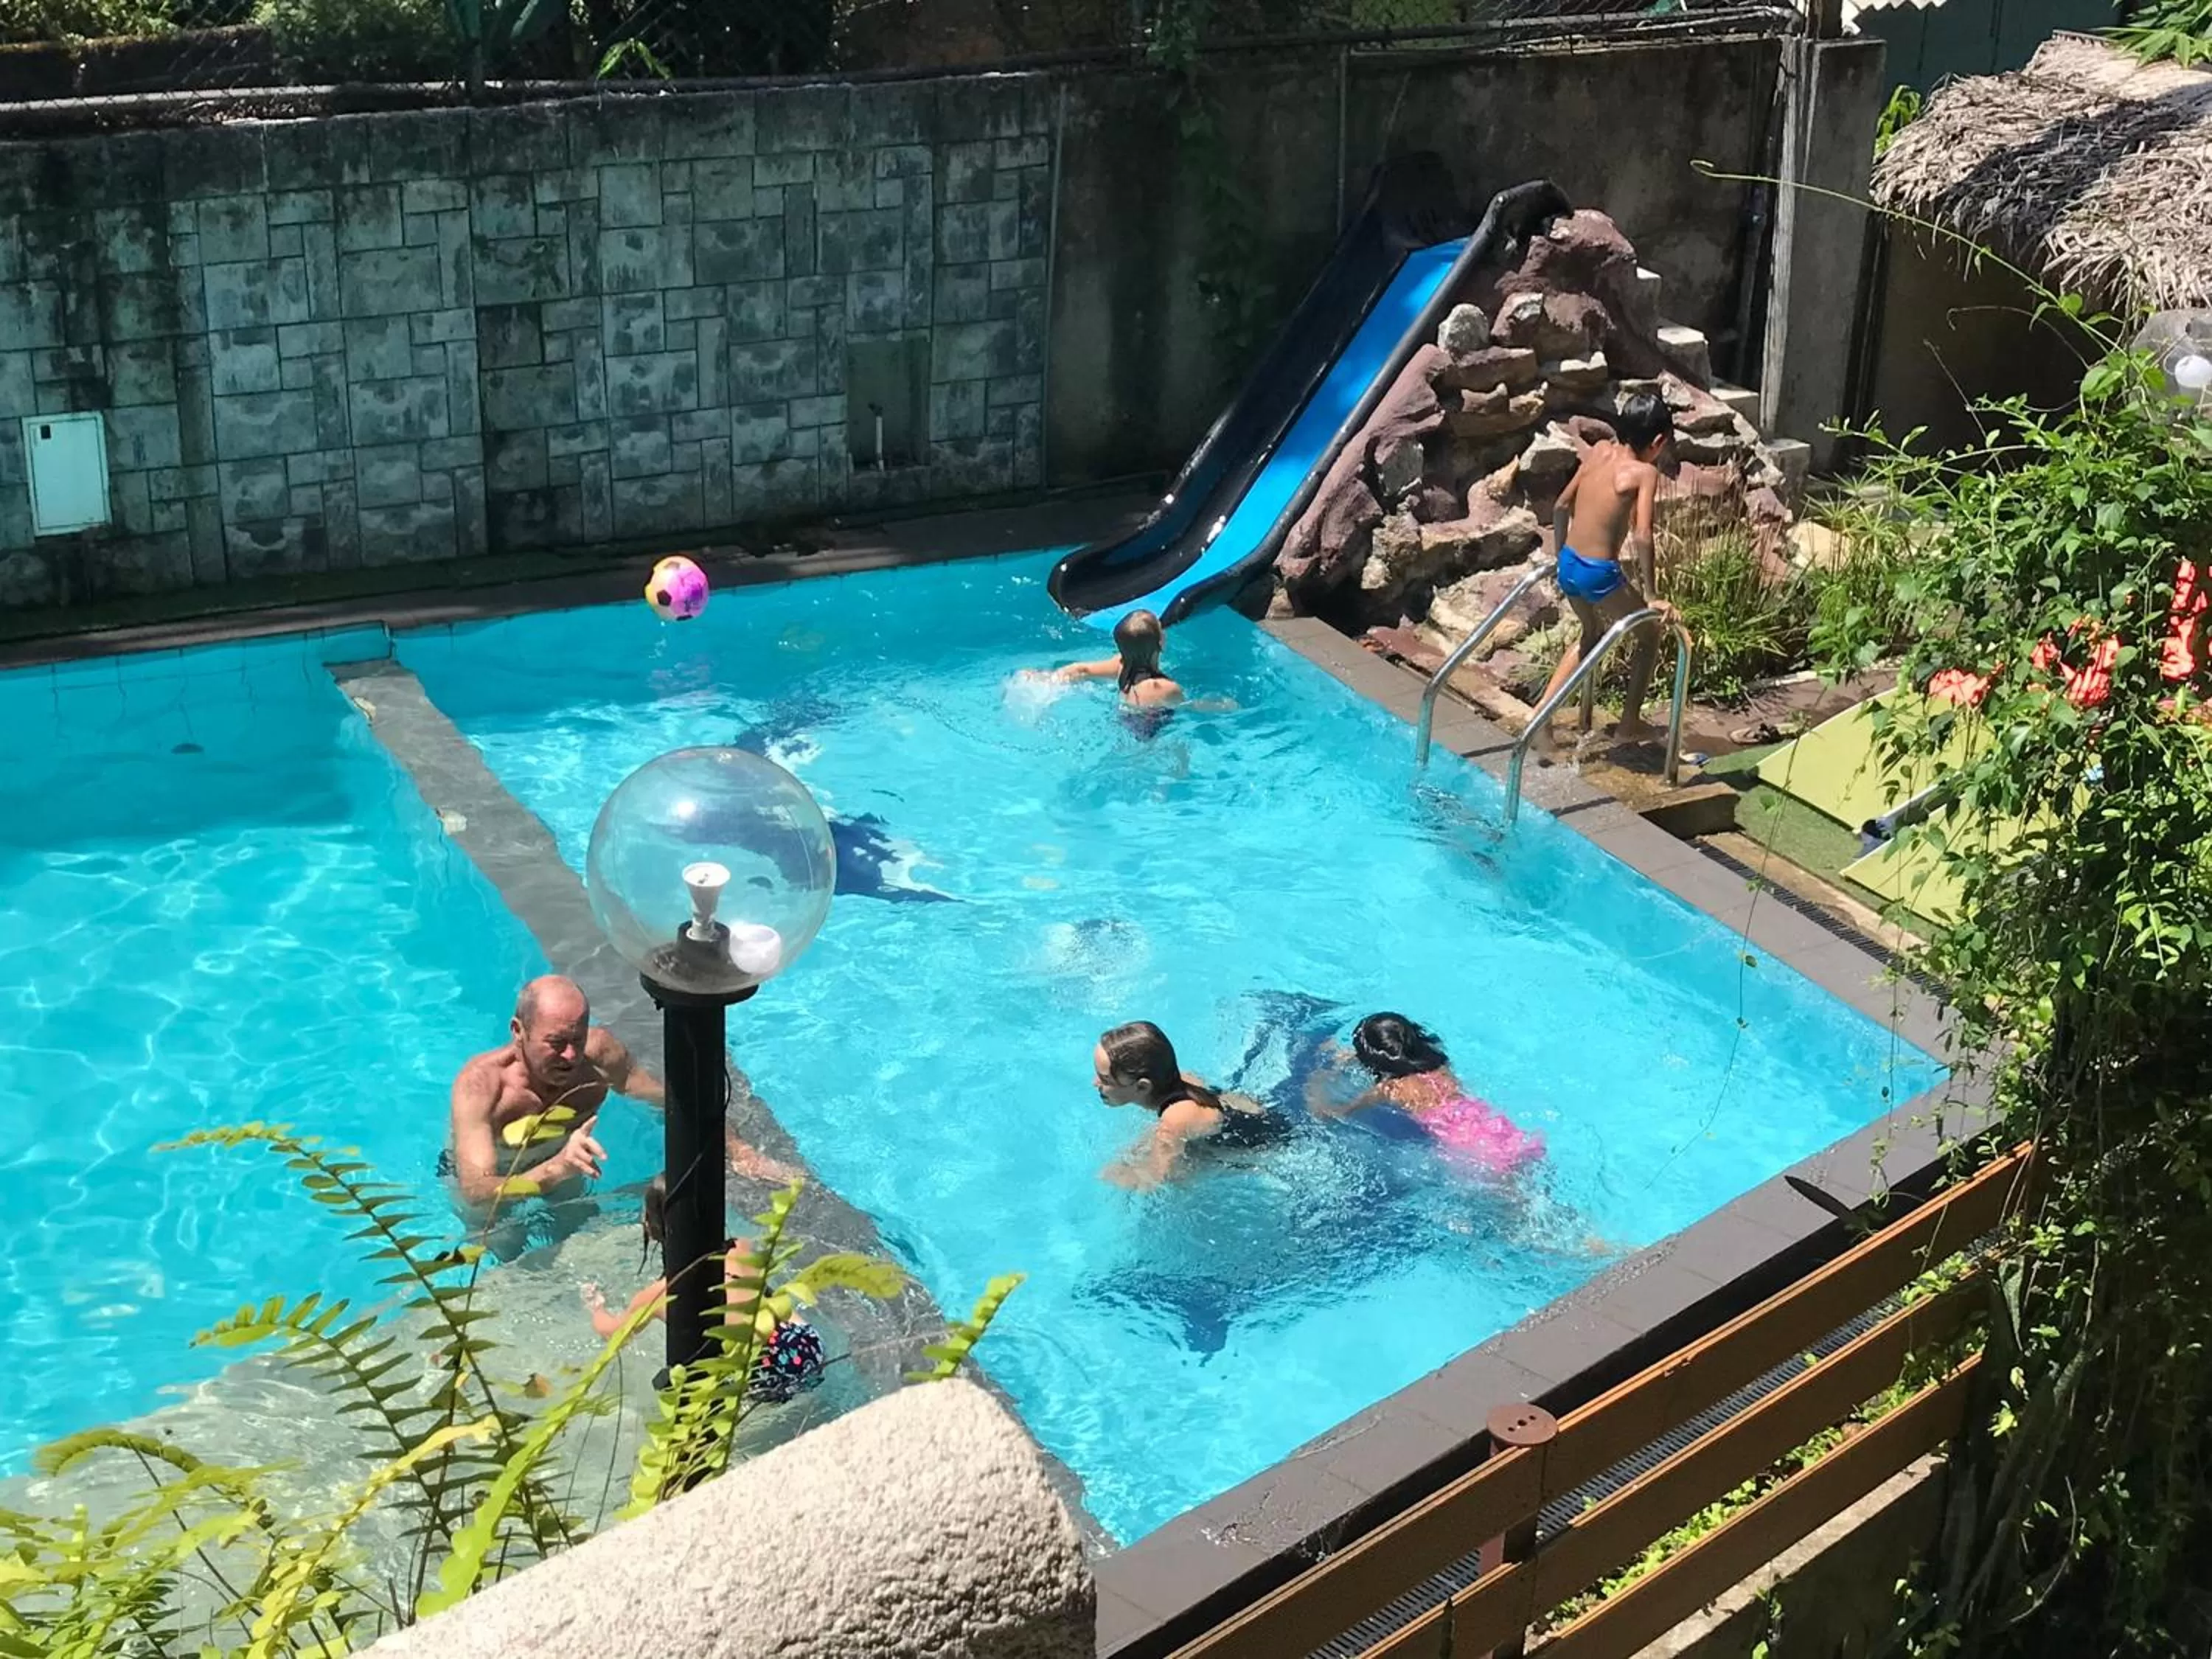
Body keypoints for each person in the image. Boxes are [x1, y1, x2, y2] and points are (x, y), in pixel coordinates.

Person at [445, 975, 795, 1220]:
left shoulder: (599, 1056)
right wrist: (556, 1169)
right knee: (506, 1248)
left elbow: (671, 1102)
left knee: (573, 1230)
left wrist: (740, 1150)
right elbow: (476, 1190)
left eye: (577, 1040)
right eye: (555, 1043)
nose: (570, 1056)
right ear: (518, 1031)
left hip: (568, 1161)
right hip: (503, 1178)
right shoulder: (482, 1088)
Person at [578, 1173, 827, 1402]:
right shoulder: (741, 1246)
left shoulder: (660, 1292)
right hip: (806, 1343)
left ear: (653, 1228)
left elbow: (614, 1334)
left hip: (768, 1372)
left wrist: (596, 1307)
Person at [1534, 389, 1680, 756]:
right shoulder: (1644, 473)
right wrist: (1651, 594)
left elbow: (1561, 504)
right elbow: (1643, 534)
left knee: (1591, 634)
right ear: (1659, 442)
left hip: (1569, 563)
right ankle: (1628, 725)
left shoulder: (1599, 451)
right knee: (1648, 635)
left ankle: (1542, 714)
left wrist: (1559, 554)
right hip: (1599, 573)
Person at [1307, 1012, 1545, 1181]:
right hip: (1500, 1132)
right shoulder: (1439, 1061)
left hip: (1469, 1150)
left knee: (1518, 1226)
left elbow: (1337, 1113)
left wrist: (1319, 1084)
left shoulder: (1391, 1089)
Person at [1093, 1020, 1287, 1189]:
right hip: (1260, 1118)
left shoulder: (1177, 1118)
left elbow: (1158, 1180)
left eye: (1105, 1080)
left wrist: (1109, 1177)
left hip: (1275, 1149)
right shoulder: (1179, 1080)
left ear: (1143, 1087)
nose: (1095, 1083)